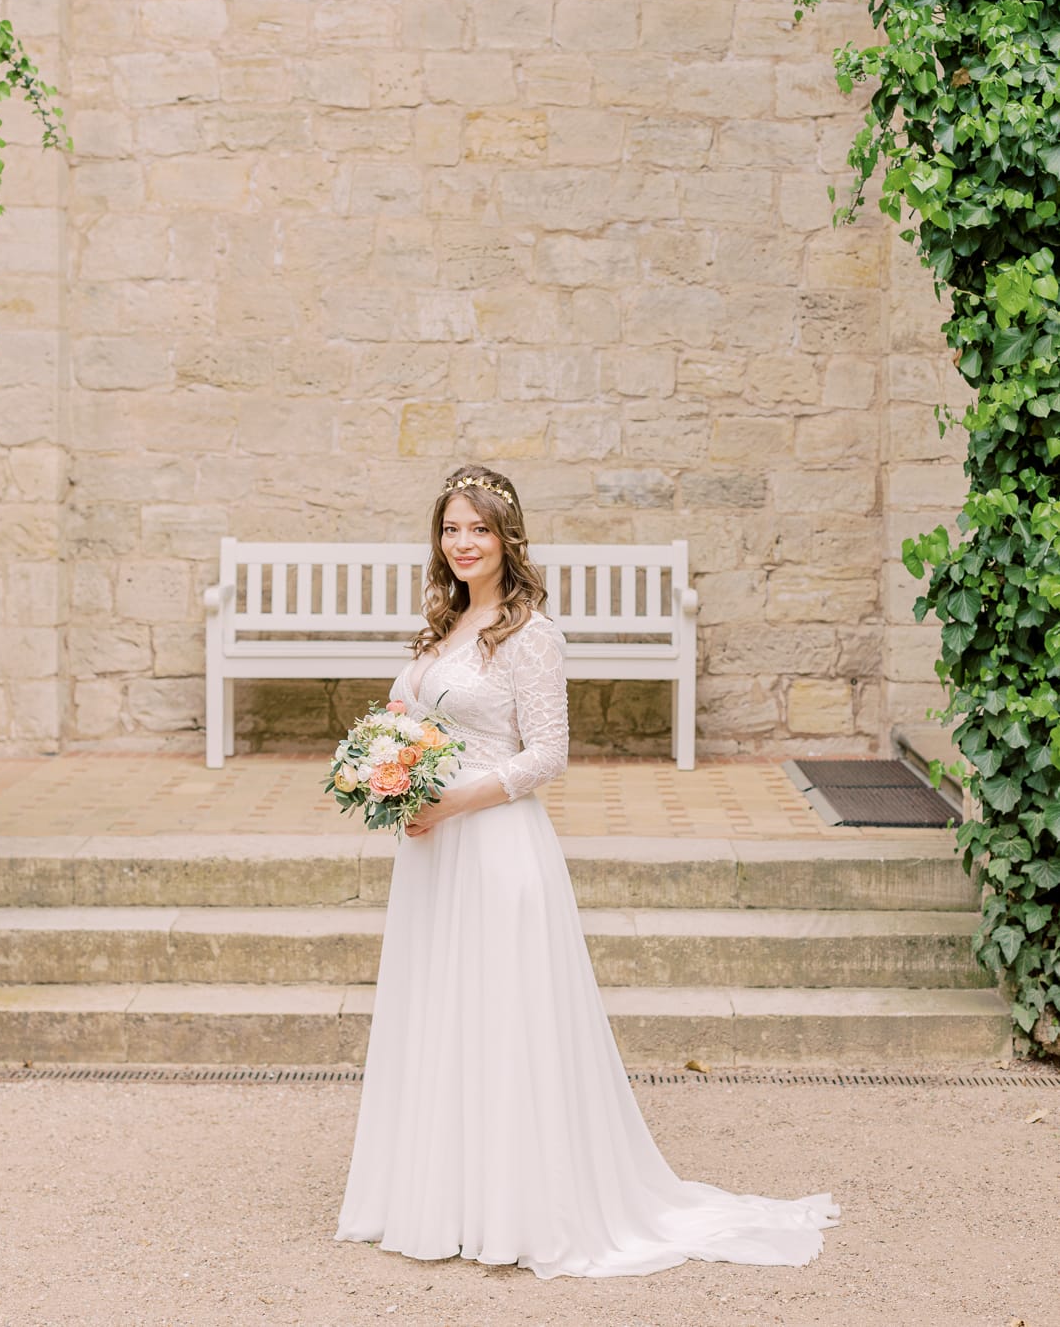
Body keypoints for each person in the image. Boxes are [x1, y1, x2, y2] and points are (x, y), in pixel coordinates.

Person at [334, 463, 841, 1279]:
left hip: (494, 845)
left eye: (479, 529)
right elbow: (407, 716)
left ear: (508, 538)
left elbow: (549, 754)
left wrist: (455, 799)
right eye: (451, 528)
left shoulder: (531, 634)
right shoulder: (442, 628)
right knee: (443, 1015)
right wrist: (383, 767)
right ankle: (442, 1197)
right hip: (433, 855)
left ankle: (515, 1209)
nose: (463, 542)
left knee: (501, 1025)